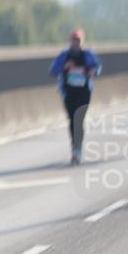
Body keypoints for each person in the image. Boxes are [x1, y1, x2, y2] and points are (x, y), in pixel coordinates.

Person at [49, 29, 102, 165]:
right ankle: (75, 147)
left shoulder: (88, 55)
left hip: (84, 92)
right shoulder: (64, 55)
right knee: (72, 120)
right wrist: (65, 66)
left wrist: (93, 71)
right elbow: (53, 71)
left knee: (78, 119)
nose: (75, 43)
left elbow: (98, 67)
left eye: (78, 40)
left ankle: (77, 151)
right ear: (70, 41)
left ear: (82, 41)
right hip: (68, 92)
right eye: (73, 40)